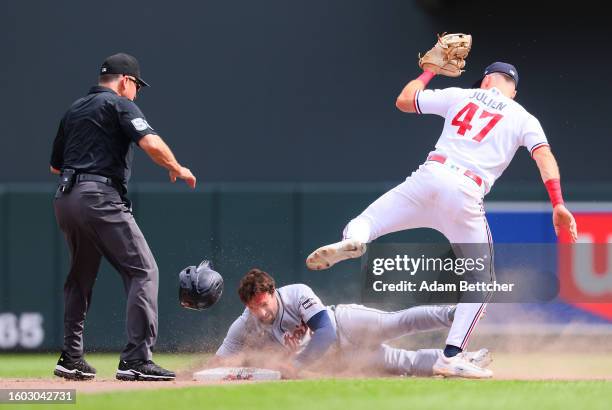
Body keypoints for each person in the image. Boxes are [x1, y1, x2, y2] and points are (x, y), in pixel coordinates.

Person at [305, 61, 578, 378]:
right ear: (512, 91)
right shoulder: (523, 117)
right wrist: (558, 203)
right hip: (465, 190)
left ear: (485, 81)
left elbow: (406, 100)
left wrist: (429, 70)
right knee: (481, 282)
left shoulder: (462, 95)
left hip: (429, 176)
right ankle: (451, 355)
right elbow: (543, 156)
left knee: (365, 221)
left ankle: (355, 241)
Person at [50, 53, 196, 381]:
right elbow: (150, 142)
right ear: (125, 81)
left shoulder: (74, 109)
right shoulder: (118, 104)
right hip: (98, 197)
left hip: (65, 198)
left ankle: (71, 357)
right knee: (143, 271)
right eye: (136, 87)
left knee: (80, 277)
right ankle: (136, 359)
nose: (136, 93)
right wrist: (176, 167)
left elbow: (55, 166)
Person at [209, 269, 492, 378]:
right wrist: (197, 373)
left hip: (345, 324)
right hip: (343, 357)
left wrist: (296, 364)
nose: (259, 312)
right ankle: (460, 361)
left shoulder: (295, 293)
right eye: (252, 307)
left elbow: (326, 331)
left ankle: (456, 314)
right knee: (402, 362)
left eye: (262, 303)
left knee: (398, 322)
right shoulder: (245, 323)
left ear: (272, 292)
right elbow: (222, 358)